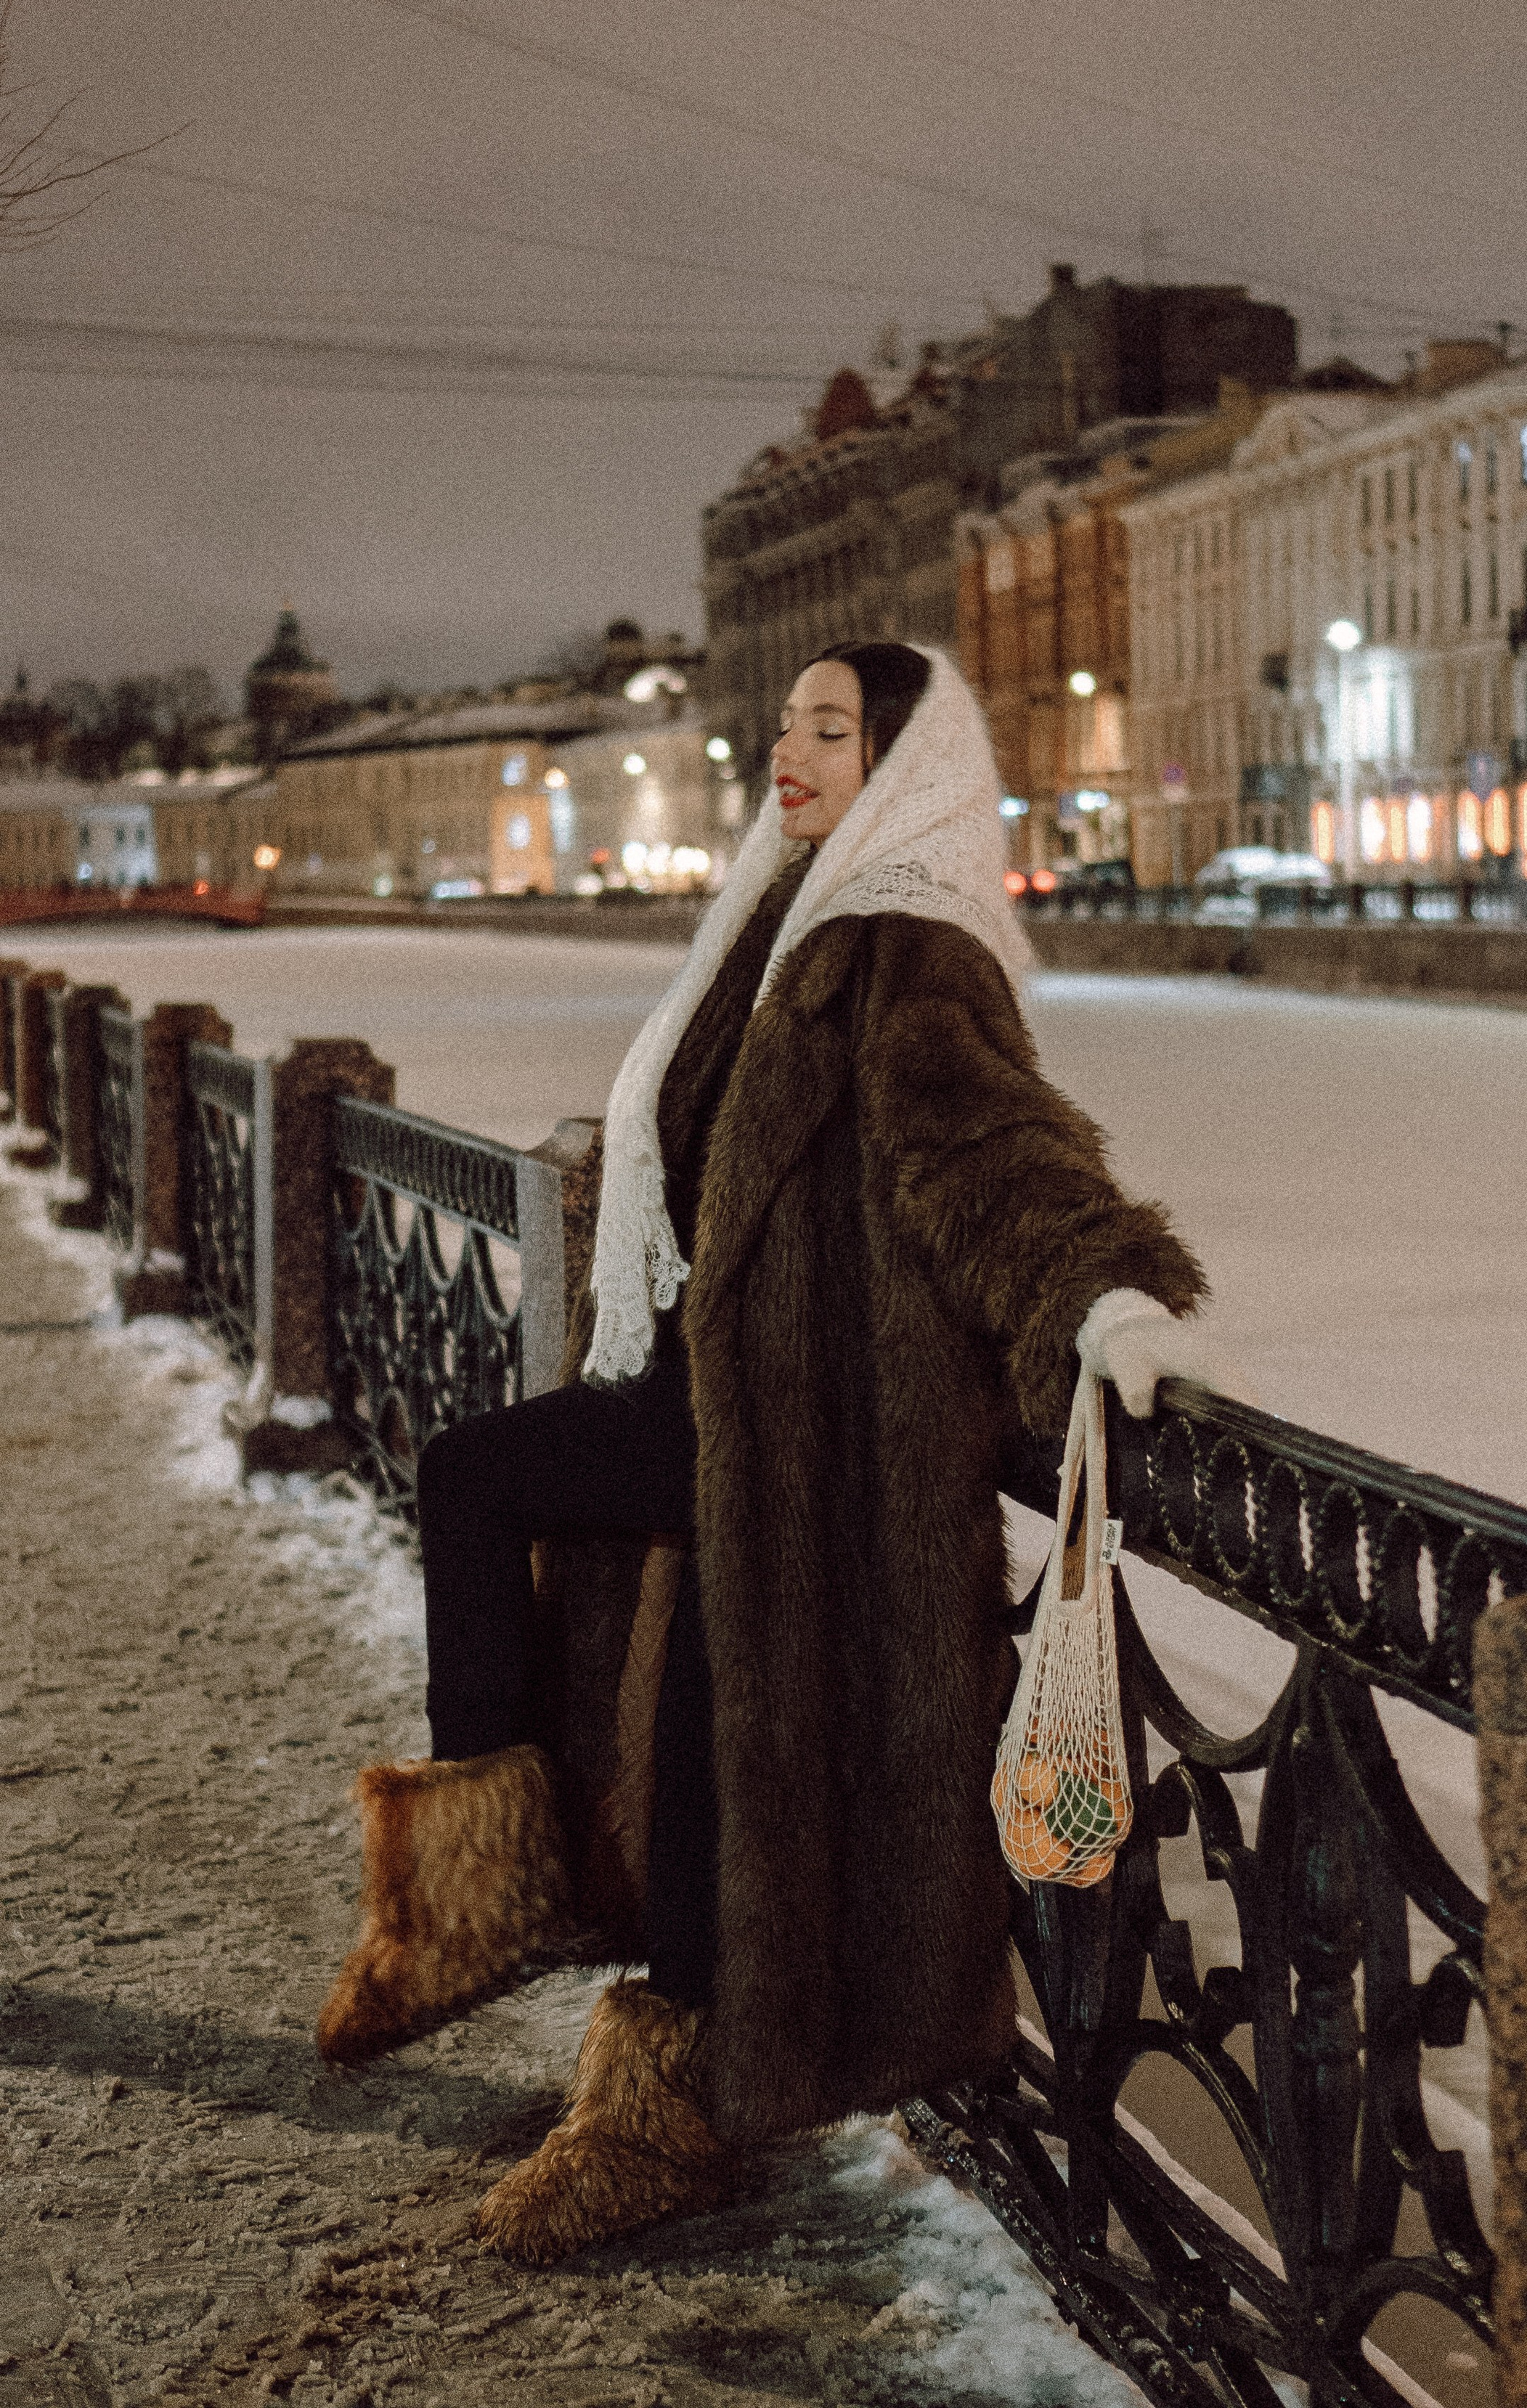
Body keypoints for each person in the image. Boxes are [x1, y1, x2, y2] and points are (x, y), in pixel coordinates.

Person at [316, 642, 1204, 2261]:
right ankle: (490, 1894)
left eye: (828, 729)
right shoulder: (783, 926)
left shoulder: (905, 948)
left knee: (720, 1765)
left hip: (812, 1440)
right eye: (781, 726)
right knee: (511, 1518)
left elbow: (985, 1146)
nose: (783, 754)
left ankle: (646, 2100)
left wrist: (1102, 1295)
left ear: (905, 763)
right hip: (729, 1407)